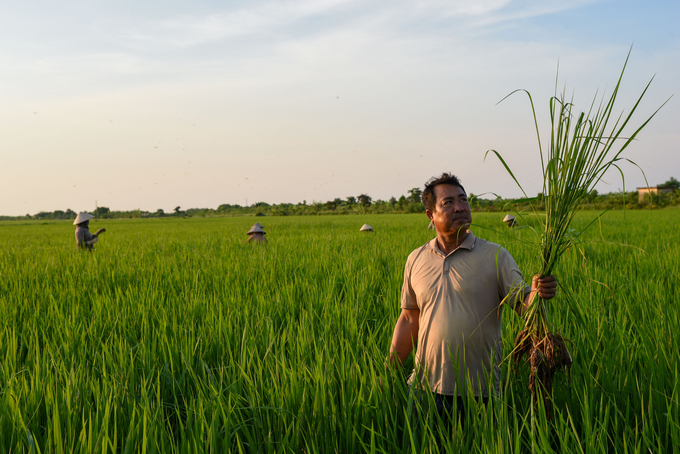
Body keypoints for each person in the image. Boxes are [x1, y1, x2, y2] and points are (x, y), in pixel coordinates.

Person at [388, 173, 556, 421]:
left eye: (463, 200)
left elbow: (523, 305)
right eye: (448, 203)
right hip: (424, 388)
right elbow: (410, 319)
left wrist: (537, 292)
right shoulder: (416, 259)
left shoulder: (495, 255)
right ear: (430, 215)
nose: (459, 207)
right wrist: (389, 371)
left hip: (481, 393)